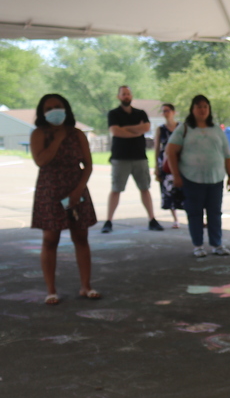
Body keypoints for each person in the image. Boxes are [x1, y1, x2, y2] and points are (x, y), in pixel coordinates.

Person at [30, 94, 100, 304]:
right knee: (50, 240)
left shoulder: (77, 134)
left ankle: (86, 286)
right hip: (50, 190)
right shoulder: (38, 134)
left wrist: (78, 190)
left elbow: (88, 164)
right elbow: (41, 160)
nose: (54, 110)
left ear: (66, 109)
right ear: (42, 113)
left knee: (81, 237)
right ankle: (51, 290)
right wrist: (58, 138)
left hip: (76, 188)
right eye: (49, 108)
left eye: (58, 106)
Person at [164, 95, 230, 257]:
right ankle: (198, 245)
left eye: (205, 107)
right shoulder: (185, 128)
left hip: (216, 178)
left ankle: (217, 244)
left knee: (215, 213)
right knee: (195, 213)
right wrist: (176, 176)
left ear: (209, 110)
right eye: (198, 107)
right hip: (191, 178)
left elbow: (227, 155)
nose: (202, 110)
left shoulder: (217, 129)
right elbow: (170, 151)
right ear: (192, 109)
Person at [103, 85, 163, 233]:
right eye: (123, 94)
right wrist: (136, 130)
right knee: (116, 189)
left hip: (139, 157)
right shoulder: (113, 114)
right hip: (120, 157)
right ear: (118, 97)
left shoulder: (141, 113)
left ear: (132, 96)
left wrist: (125, 130)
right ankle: (109, 221)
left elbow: (146, 127)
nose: (126, 96)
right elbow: (115, 131)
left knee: (145, 188)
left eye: (128, 94)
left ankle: (152, 219)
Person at [154, 103, 185, 228]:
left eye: (167, 110)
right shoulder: (160, 129)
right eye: (163, 111)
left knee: (185, 190)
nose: (165, 113)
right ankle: (175, 219)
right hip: (166, 163)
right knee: (169, 190)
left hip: (181, 161)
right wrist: (156, 166)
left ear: (173, 112)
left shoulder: (181, 127)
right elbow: (157, 148)